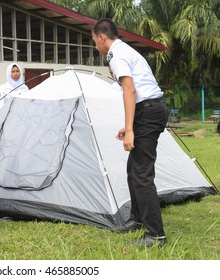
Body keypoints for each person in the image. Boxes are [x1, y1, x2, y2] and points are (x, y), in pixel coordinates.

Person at [92, 18, 168, 247]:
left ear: (102, 38)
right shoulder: (124, 50)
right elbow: (138, 89)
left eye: (95, 40)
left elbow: (130, 90)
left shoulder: (116, 54)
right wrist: (129, 125)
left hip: (149, 110)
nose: (95, 45)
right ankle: (137, 219)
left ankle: (156, 235)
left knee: (142, 174)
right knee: (133, 169)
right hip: (149, 109)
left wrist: (132, 130)